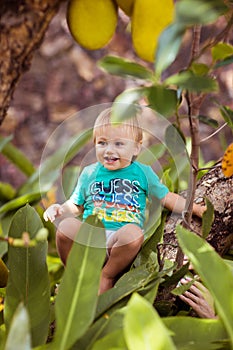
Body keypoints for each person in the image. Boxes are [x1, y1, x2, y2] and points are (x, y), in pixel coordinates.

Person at [43, 108, 206, 294]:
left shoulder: (142, 173)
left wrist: (195, 208)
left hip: (118, 240)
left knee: (134, 234)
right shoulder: (89, 173)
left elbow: (167, 197)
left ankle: (107, 276)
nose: (109, 150)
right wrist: (59, 209)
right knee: (66, 229)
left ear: (136, 147)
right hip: (90, 237)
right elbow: (76, 205)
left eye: (119, 144)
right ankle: (75, 275)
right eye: (102, 143)